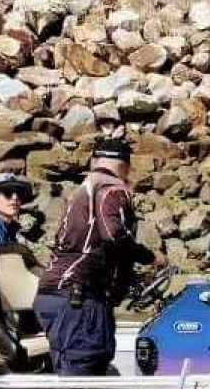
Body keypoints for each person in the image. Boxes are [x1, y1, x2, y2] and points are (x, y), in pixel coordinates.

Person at [34, 138, 157, 376]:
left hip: (55, 295)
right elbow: (113, 234)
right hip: (78, 299)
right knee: (83, 371)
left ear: (95, 162)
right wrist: (149, 257)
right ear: (126, 166)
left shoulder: (84, 189)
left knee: (83, 367)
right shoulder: (112, 189)